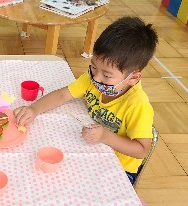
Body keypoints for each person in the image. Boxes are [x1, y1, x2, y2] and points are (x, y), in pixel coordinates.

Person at [14, 16, 158, 185]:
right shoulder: (91, 80)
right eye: (94, 66)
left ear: (133, 77)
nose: (96, 78)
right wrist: (34, 109)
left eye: (106, 75)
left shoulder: (137, 105)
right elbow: (62, 95)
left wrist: (105, 136)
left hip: (119, 170)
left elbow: (141, 150)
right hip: (92, 152)